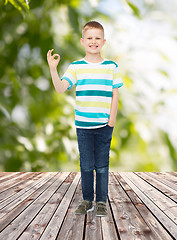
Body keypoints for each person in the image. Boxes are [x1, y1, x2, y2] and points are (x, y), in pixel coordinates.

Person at [47, 21, 123, 217]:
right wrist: (53, 68)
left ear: (104, 41)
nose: (93, 41)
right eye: (89, 38)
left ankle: (101, 202)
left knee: (103, 166)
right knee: (87, 165)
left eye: (97, 38)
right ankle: (87, 199)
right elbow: (61, 88)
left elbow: (115, 95)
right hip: (83, 125)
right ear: (82, 41)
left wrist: (111, 121)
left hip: (105, 125)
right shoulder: (76, 67)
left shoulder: (111, 67)